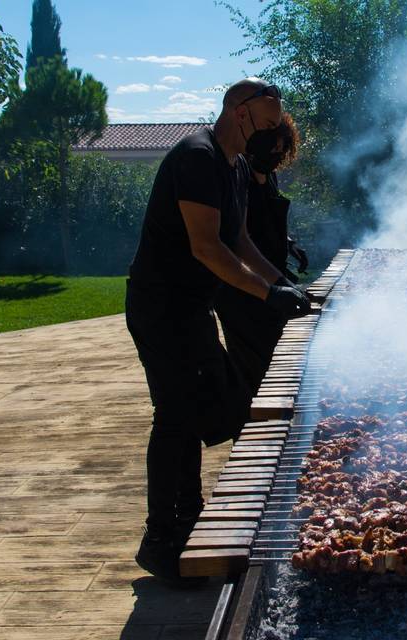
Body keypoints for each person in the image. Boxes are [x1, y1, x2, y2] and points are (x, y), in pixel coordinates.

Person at [125, 77, 310, 585]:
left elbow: (242, 240)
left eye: (277, 125)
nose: (272, 134)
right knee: (176, 415)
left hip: (191, 308)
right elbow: (207, 247)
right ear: (238, 110)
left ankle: (187, 522)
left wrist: (286, 285)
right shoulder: (198, 157)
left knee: (205, 408)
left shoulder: (235, 166)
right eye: (268, 123)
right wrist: (266, 295)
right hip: (161, 306)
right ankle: (162, 538)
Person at [215, 112, 312, 399]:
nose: (276, 153)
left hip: (273, 278)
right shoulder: (239, 176)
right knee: (253, 373)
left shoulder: (269, 177)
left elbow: (266, 221)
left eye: (282, 148)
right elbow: (238, 238)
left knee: (278, 360)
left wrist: (289, 243)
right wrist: (276, 287)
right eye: (273, 146)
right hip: (243, 288)